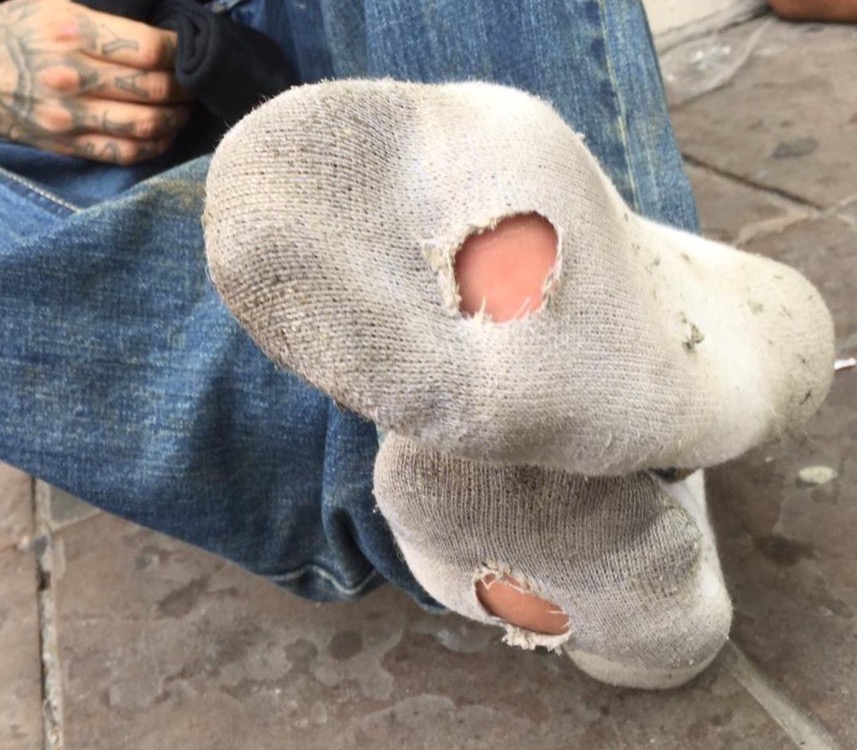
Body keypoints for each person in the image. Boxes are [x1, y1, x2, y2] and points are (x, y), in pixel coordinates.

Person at [0, 0, 833, 689]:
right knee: (378, 193)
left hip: (340, 66)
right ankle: (635, 370)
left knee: (423, 165)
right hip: (59, 156)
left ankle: (555, 499)